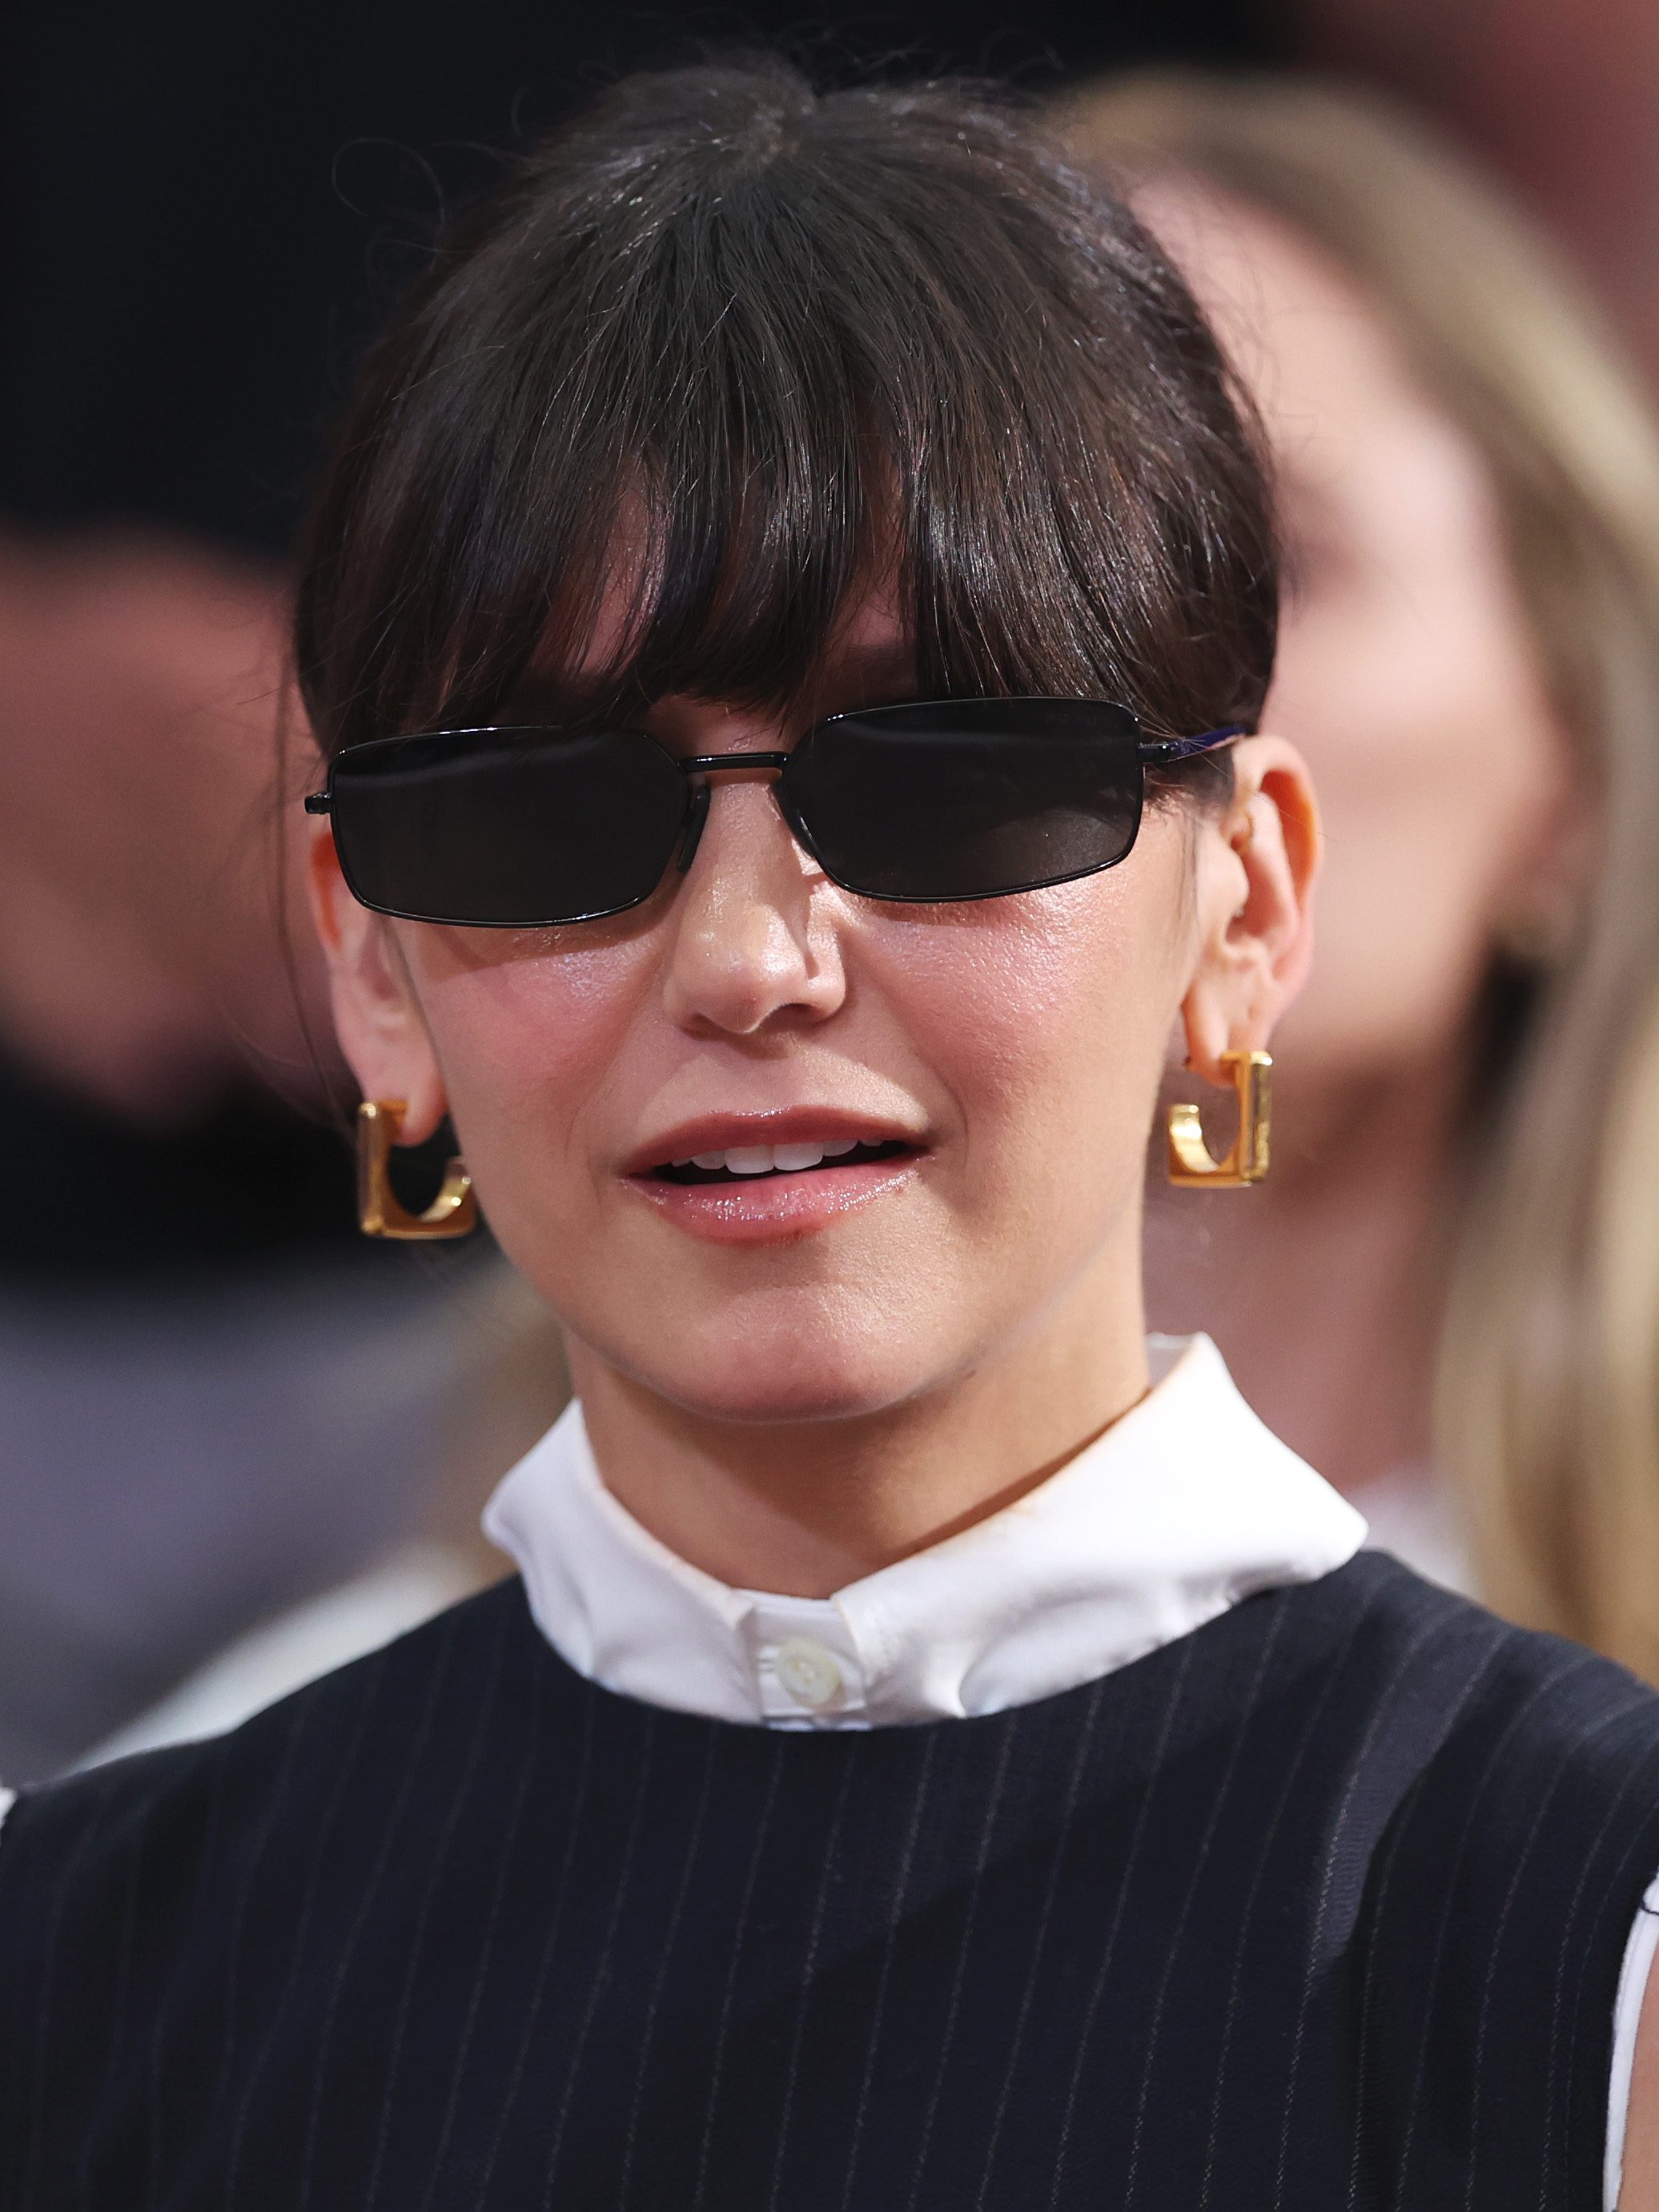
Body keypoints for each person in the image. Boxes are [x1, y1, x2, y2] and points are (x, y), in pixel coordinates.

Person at [5, 61, 1659, 2208]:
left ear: (1242, 905)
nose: (755, 956)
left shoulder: (1582, 1950)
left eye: (950, 783)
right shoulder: (92, 1963)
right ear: (367, 961)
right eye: (544, 814)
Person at [1054, 74, 1659, 1668]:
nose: (1113, 680)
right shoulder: (408, 1634)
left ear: (1582, 761)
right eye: (1015, 575)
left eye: (1266, 563)